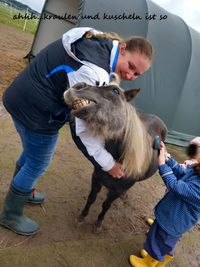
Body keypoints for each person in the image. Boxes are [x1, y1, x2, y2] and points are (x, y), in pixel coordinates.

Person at [0, 27, 153, 235]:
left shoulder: (98, 39)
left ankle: (23, 190)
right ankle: (10, 214)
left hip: (22, 96)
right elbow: (82, 130)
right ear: (123, 49)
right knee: (37, 163)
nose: (130, 75)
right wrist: (109, 164)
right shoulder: (92, 70)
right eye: (131, 67)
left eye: (137, 74)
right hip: (37, 112)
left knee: (31, 153)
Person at [129, 138, 200, 267]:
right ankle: (162, 259)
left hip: (174, 221)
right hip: (170, 215)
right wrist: (167, 158)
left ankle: (149, 263)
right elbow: (181, 172)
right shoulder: (196, 172)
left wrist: (162, 164)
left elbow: (175, 186)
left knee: (158, 241)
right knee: (163, 241)